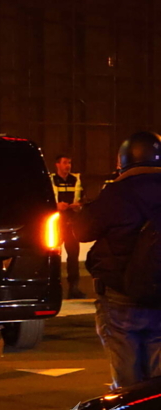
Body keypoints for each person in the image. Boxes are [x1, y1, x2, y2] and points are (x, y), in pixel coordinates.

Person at [73, 131, 161, 388]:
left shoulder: (116, 193)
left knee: (127, 383)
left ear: (124, 160)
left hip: (120, 297)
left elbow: (82, 232)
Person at [52, 155, 86, 299]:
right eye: (65, 163)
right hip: (55, 222)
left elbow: (83, 198)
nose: (68, 166)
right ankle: (53, 287)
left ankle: (74, 288)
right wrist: (56, 206)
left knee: (73, 255)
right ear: (57, 165)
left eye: (69, 163)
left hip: (72, 221)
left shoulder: (75, 180)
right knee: (53, 254)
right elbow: (43, 200)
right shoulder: (51, 180)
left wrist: (79, 206)